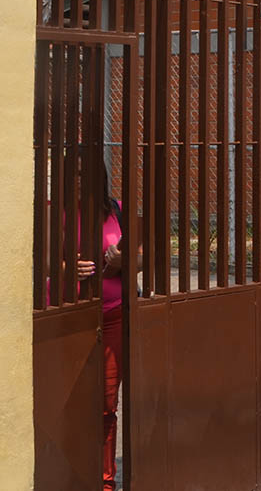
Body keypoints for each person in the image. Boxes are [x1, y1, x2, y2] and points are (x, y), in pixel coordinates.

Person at [76, 170, 123, 491]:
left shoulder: (116, 210)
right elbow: (39, 261)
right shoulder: (55, 212)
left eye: (87, 173)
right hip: (70, 319)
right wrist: (67, 268)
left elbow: (144, 259)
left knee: (106, 404)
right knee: (69, 400)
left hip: (114, 315)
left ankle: (105, 483)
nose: (82, 180)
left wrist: (124, 261)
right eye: (76, 174)